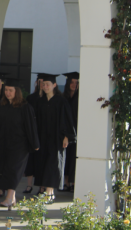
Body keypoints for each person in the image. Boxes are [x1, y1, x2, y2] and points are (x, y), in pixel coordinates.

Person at [0, 78, 40, 210]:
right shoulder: (1, 106)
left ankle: (9, 197)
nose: (7, 93)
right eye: (6, 90)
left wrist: (35, 143)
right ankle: (12, 197)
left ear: (17, 92)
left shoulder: (25, 107)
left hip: (19, 145)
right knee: (4, 168)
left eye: (10, 90)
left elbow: (31, 127)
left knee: (13, 170)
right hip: (3, 143)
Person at [33, 73, 76, 203]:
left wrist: (67, 137)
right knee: (44, 163)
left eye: (48, 84)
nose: (45, 86)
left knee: (53, 164)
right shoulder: (40, 102)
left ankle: (50, 193)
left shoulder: (61, 101)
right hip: (43, 138)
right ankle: (47, 191)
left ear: (54, 85)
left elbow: (68, 120)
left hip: (57, 139)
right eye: (43, 84)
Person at [22, 72, 46, 194]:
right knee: (31, 159)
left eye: (44, 82)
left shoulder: (48, 99)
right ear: (36, 83)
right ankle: (29, 185)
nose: (42, 84)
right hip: (32, 131)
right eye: (40, 82)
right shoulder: (31, 98)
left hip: (43, 132)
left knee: (42, 160)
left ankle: (42, 187)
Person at [61, 72, 79, 193]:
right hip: (65, 130)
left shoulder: (80, 97)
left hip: (77, 131)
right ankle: (66, 182)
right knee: (66, 157)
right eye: (71, 82)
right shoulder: (64, 98)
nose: (74, 85)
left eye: (76, 82)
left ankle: (73, 182)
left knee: (74, 157)